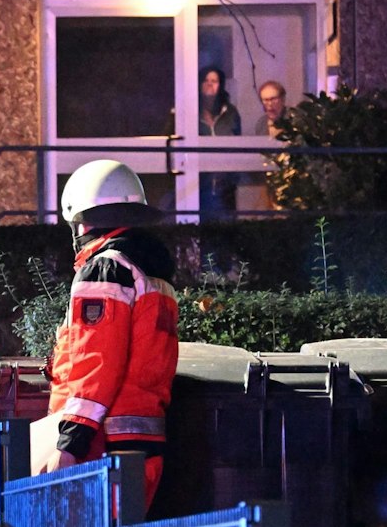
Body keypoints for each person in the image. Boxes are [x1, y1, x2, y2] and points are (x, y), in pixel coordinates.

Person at [36, 160, 180, 504]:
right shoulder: (152, 273)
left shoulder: (105, 269)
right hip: (142, 448)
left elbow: (96, 363)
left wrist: (70, 444)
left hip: (100, 450)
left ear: (81, 219)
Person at [198, 66, 242, 221]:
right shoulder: (189, 113)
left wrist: (233, 178)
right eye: (206, 80)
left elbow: (238, 149)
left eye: (214, 81)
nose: (210, 84)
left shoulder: (230, 113)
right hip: (198, 188)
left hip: (225, 191)